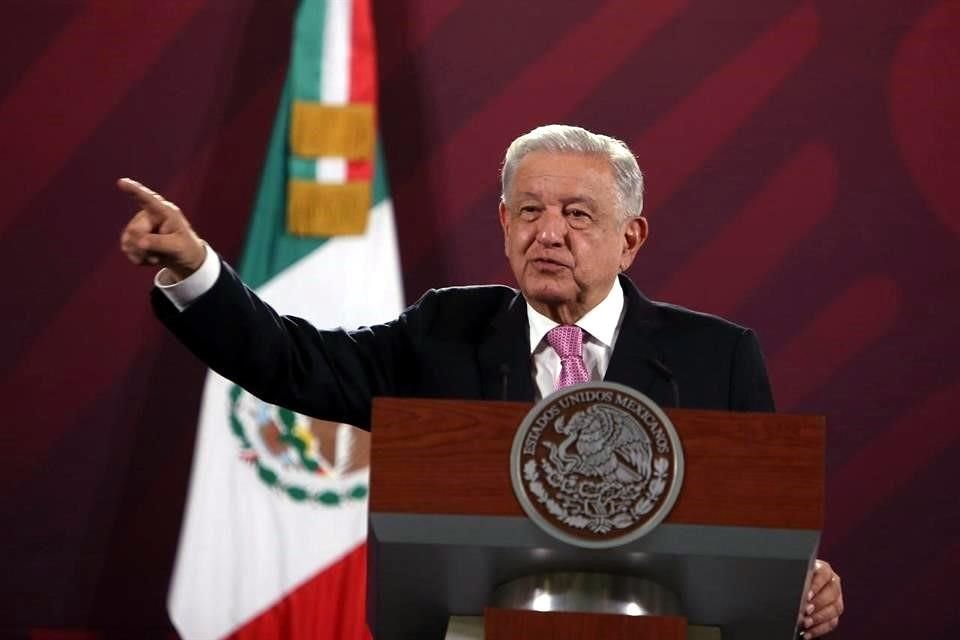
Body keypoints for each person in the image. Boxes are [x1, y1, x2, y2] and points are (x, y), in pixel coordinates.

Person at [119, 124, 843, 637]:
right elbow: (293, 361)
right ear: (503, 223)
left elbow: (760, 521)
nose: (548, 232)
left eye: (577, 215)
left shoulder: (716, 356)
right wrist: (196, 272)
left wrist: (803, 581)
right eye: (529, 211)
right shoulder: (445, 333)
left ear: (631, 239)